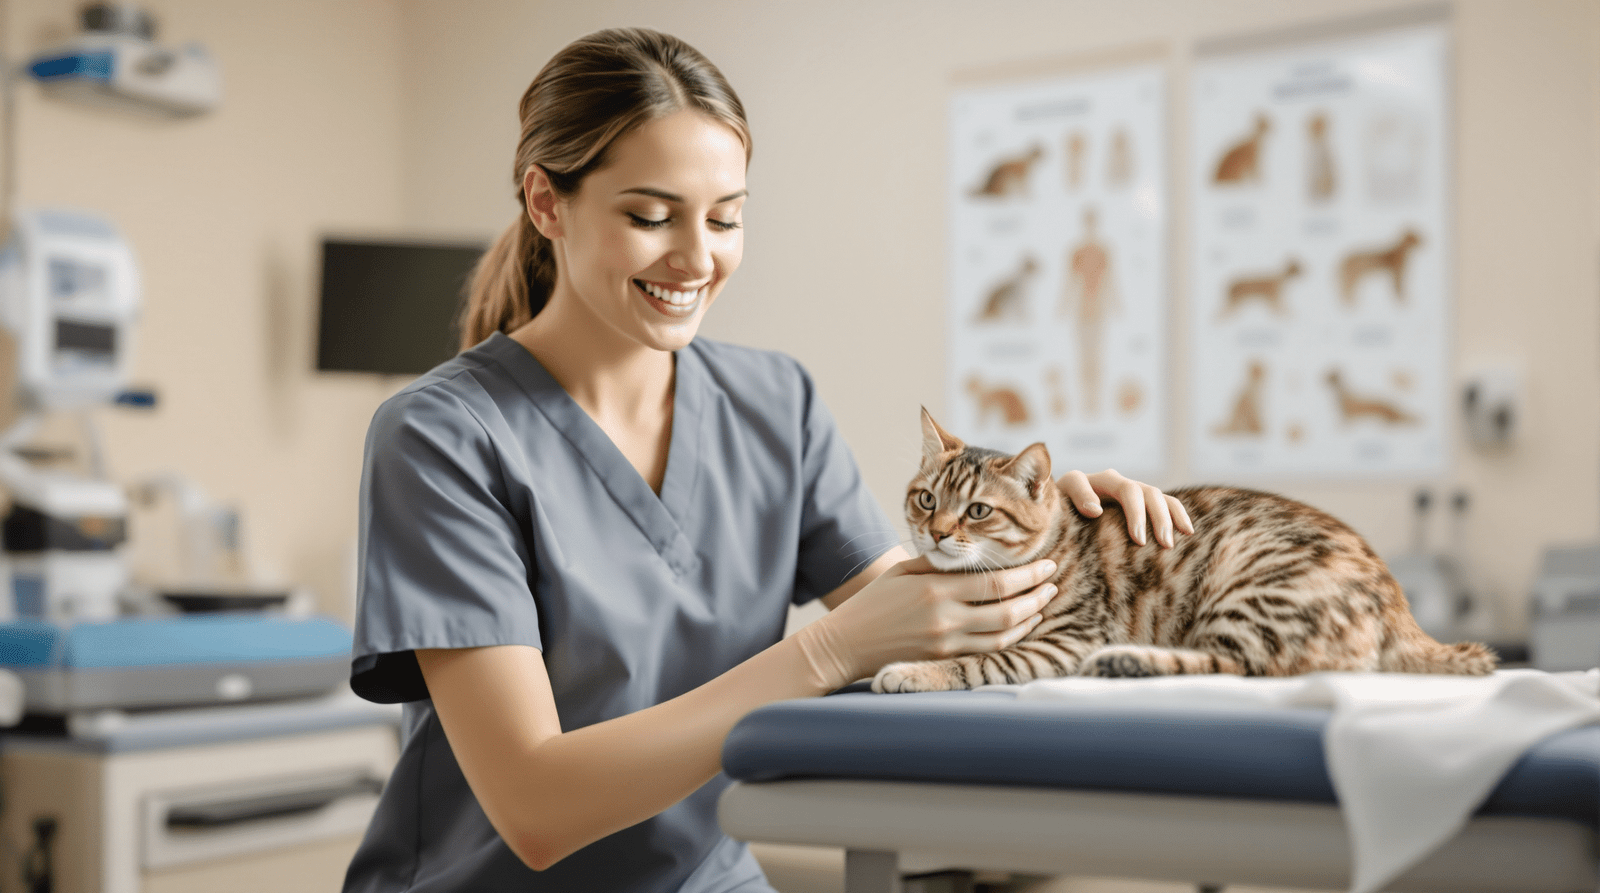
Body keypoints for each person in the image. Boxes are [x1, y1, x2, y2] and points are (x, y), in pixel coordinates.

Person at [342, 27, 1191, 893]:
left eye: (725, 218)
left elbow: (928, 620)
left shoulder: (776, 403)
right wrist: (825, 653)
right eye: (650, 216)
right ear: (546, 203)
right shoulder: (441, 436)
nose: (698, 258)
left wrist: (1058, 545)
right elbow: (535, 806)